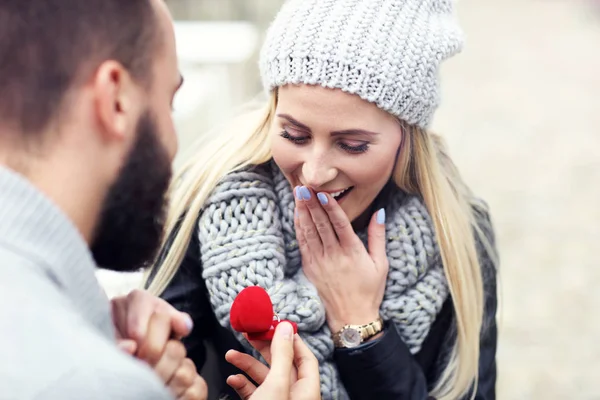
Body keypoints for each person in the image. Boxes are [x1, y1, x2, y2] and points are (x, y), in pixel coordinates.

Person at [143, 0, 499, 399]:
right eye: (294, 135)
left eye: (351, 145)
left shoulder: (458, 234)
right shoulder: (210, 200)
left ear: (407, 137)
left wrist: (360, 327)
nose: (313, 174)